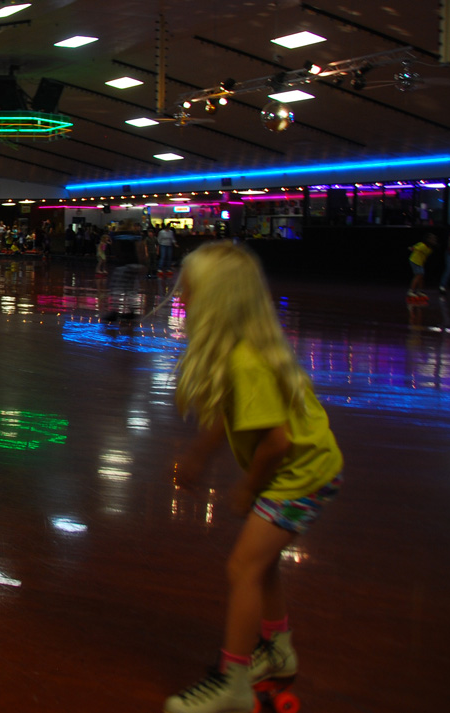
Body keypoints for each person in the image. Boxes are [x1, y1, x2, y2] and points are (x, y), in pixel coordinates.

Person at [166, 242, 343, 713]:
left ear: (216, 299)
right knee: (258, 562)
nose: (180, 290)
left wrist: (246, 488)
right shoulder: (237, 351)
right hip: (303, 466)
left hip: (300, 473)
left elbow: (277, 441)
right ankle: (277, 648)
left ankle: (234, 683)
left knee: (243, 567)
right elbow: (229, 415)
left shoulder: (246, 360)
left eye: (190, 286)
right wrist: (199, 456)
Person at [407, 232, 436, 297]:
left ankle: (419, 291)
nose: (434, 240)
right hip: (414, 261)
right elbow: (413, 248)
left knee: (421, 276)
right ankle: (411, 291)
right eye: (432, 239)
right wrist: (411, 248)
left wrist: (422, 264)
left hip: (420, 262)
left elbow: (424, 256)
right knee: (418, 275)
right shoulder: (422, 245)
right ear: (428, 239)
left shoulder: (430, 249)